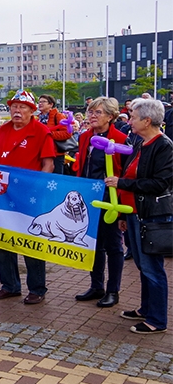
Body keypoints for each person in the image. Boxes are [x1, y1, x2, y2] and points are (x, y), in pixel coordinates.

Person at [107, 98, 171, 334]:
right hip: (134, 213)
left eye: (133, 117)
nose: (129, 120)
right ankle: (146, 308)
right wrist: (124, 213)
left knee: (152, 267)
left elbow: (160, 183)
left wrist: (121, 182)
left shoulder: (163, 146)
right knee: (144, 266)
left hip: (151, 215)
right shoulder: (141, 143)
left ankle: (157, 319)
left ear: (147, 120)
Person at [0, 91, 57, 304]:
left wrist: (36, 187)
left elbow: (49, 165)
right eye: (14, 107)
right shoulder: (3, 130)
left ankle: (37, 288)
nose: (17, 111)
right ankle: (9, 285)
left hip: (30, 197)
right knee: (2, 240)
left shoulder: (41, 131)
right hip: (3, 195)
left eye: (22, 107)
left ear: (31, 110)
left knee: (32, 242)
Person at [72, 97, 127, 308]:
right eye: (91, 112)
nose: (92, 116)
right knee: (93, 245)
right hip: (88, 198)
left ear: (111, 117)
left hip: (109, 199)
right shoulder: (85, 136)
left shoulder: (120, 138)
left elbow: (124, 173)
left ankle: (113, 290)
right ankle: (97, 286)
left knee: (113, 245)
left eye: (98, 113)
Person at [37, 94, 73, 174]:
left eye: (43, 102)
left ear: (51, 104)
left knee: (55, 180)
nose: (40, 104)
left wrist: (49, 135)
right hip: (40, 153)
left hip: (55, 154)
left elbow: (67, 133)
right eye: (39, 102)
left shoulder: (58, 116)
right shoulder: (37, 118)